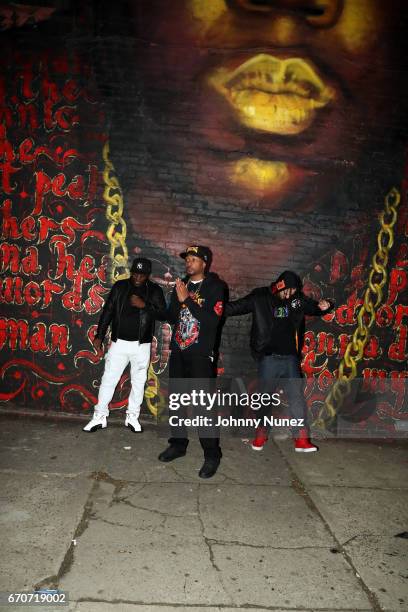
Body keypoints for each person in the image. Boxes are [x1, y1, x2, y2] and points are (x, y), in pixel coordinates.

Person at [225, 270, 333, 451]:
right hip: (269, 358)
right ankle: (261, 433)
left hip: (290, 358)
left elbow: (315, 307)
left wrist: (326, 305)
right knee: (264, 398)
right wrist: (216, 307)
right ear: (279, 286)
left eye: (293, 291)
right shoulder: (260, 297)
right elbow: (236, 307)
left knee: (296, 397)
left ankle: (301, 439)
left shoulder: (297, 300)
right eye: (287, 290)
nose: (290, 295)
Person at [158, 245, 228, 478]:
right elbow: (170, 317)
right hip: (179, 351)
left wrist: (186, 300)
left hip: (200, 355)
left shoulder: (216, 287)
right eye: (187, 259)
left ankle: (212, 455)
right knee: (176, 402)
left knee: (202, 407)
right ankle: (178, 444)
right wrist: (152, 304)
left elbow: (211, 321)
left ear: (205, 263)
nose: (189, 263)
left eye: (194, 259)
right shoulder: (181, 285)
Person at [83, 257, 166, 433]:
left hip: (141, 345)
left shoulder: (154, 291)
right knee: (108, 380)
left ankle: (132, 417)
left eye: (141, 275)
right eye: (135, 273)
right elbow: (108, 311)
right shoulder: (120, 287)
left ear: (147, 275)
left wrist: (144, 305)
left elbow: (162, 315)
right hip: (118, 343)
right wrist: (100, 334)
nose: (137, 277)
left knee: (138, 382)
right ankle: (99, 416)